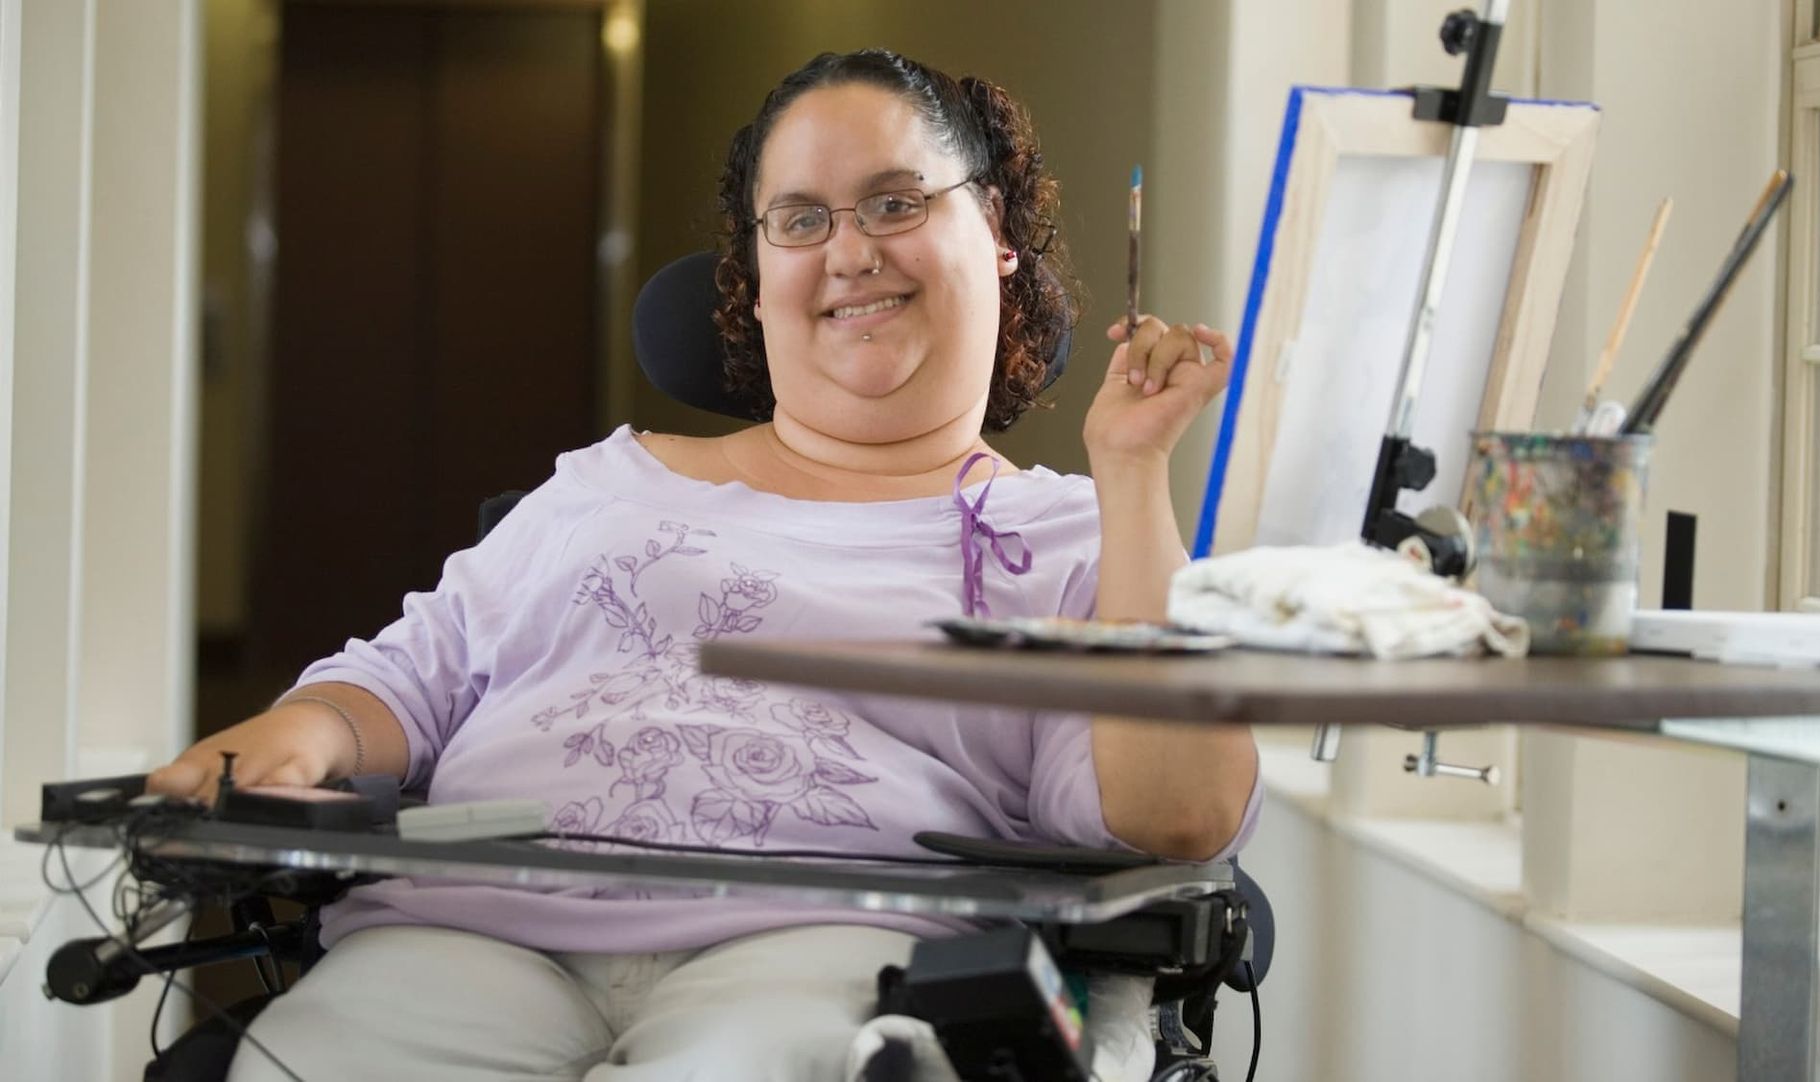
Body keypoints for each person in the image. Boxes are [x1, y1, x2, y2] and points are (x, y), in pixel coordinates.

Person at [150, 48, 1260, 1082]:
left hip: (820, 942)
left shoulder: (1078, 540)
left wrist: (1130, 472)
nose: (851, 250)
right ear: (758, 271)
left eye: (896, 200)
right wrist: (298, 733)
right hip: (471, 913)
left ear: (998, 231)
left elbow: (1174, 816)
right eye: (800, 218)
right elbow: (413, 675)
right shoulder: (605, 482)